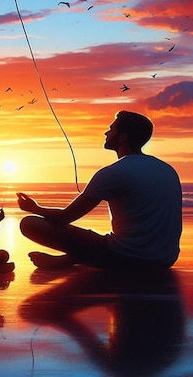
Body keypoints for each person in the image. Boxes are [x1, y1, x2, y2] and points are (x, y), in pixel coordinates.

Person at [17, 110, 182, 270]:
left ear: (123, 137)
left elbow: (65, 217)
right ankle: (67, 260)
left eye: (111, 129)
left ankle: (73, 260)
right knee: (107, 240)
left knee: (30, 224)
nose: (106, 133)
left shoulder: (114, 172)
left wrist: (34, 208)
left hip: (129, 259)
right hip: (165, 259)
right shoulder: (166, 169)